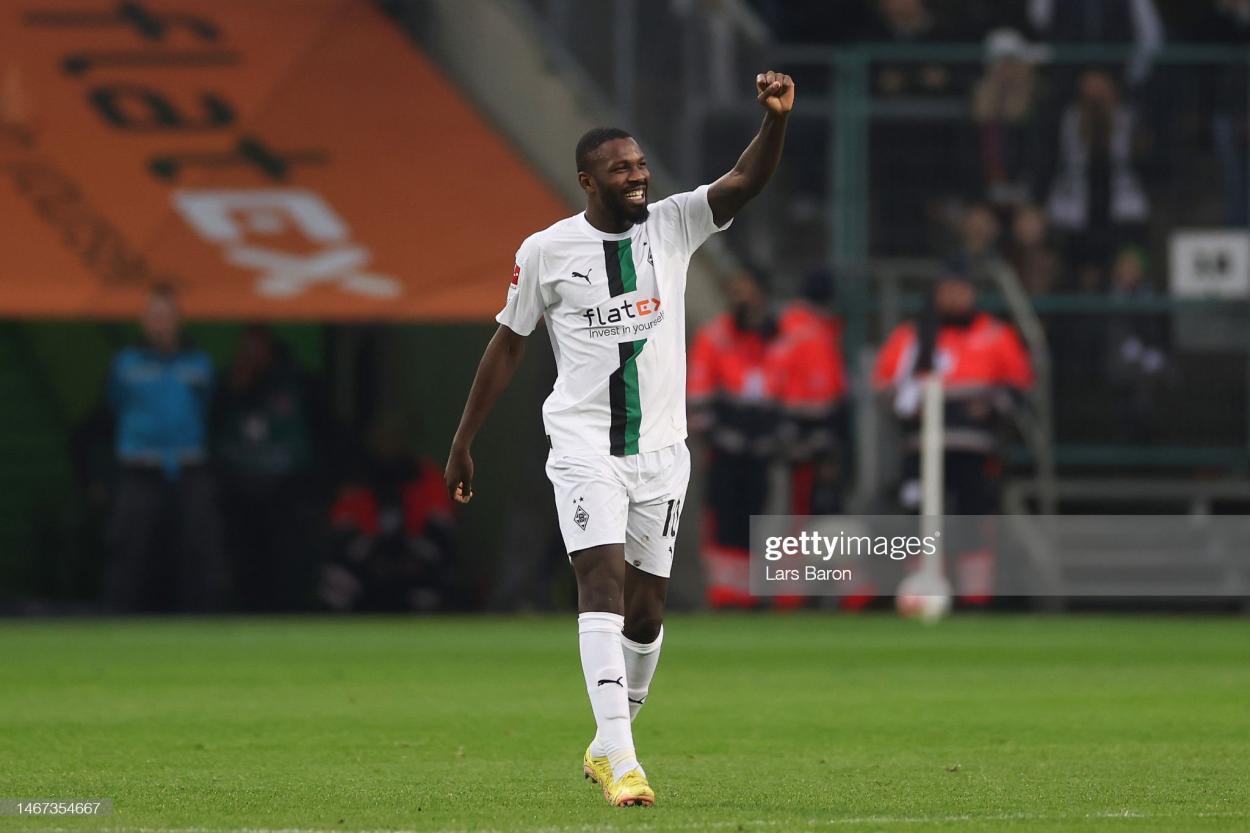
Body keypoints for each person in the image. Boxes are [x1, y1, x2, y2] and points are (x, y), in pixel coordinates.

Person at [444, 71, 795, 807]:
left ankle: (610, 741)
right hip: (584, 447)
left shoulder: (672, 223)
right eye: (621, 170)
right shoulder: (547, 251)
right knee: (598, 583)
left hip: (662, 452)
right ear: (587, 181)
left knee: (646, 611)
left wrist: (776, 121)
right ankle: (627, 763)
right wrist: (464, 438)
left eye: (639, 165)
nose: (638, 177)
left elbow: (743, 182)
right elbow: (507, 344)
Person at [874, 274, 1032, 601]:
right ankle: (921, 591)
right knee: (920, 518)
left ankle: (976, 597)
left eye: (961, 291)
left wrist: (988, 406)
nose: (953, 299)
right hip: (920, 447)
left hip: (974, 447)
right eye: (946, 291)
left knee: (972, 518)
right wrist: (909, 407)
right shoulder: (913, 336)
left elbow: (1019, 387)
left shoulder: (994, 334)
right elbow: (886, 386)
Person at [104, 283, 227, 612]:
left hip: (188, 466)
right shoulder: (126, 365)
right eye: (154, 316)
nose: (160, 323)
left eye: (166, 316)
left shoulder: (199, 365)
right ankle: (118, 621)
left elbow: (209, 407)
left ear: (179, 319)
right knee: (128, 548)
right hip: (140, 467)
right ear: (143, 320)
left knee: (199, 548)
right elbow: (113, 406)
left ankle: (202, 623)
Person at [687, 268, 786, 608]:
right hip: (723, 447)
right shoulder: (715, 338)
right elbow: (698, 394)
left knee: (758, 518)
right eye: (735, 290)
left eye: (747, 289)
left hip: (765, 448)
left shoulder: (780, 339)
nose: (741, 297)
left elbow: (788, 390)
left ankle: (752, 592)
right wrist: (708, 439)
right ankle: (726, 594)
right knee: (723, 520)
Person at [213, 325, 323, 611]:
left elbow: (324, 433)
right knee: (242, 560)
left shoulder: (298, 382)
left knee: (288, 559)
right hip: (238, 489)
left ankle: (291, 615)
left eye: (258, 346)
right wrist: (231, 391)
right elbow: (210, 430)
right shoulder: (227, 384)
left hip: (287, 488)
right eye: (246, 347)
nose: (251, 354)